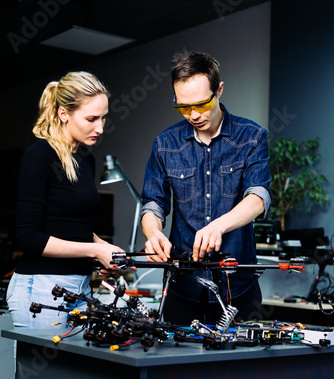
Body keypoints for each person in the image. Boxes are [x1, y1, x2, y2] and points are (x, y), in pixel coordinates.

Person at [140, 51, 271, 325]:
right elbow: (153, 205)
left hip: (238, 289)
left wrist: (218, 226)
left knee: (242, 366)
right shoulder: (164, 144)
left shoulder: (252, 137)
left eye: (202, 104)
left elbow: (258, 197)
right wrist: (153, 234)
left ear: (219, 90)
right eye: (184, 107)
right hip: (182, 287)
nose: (194, 115)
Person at [6, 71, 124, 329]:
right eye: (91, 119)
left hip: (79, 287)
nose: (100, 128)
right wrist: (94, 250)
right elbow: (28, 237)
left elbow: (70, 224)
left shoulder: (85, 158)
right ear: (63, 114)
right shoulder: (39, 157)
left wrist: (106, 251)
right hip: (41, 289)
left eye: (103, 118)